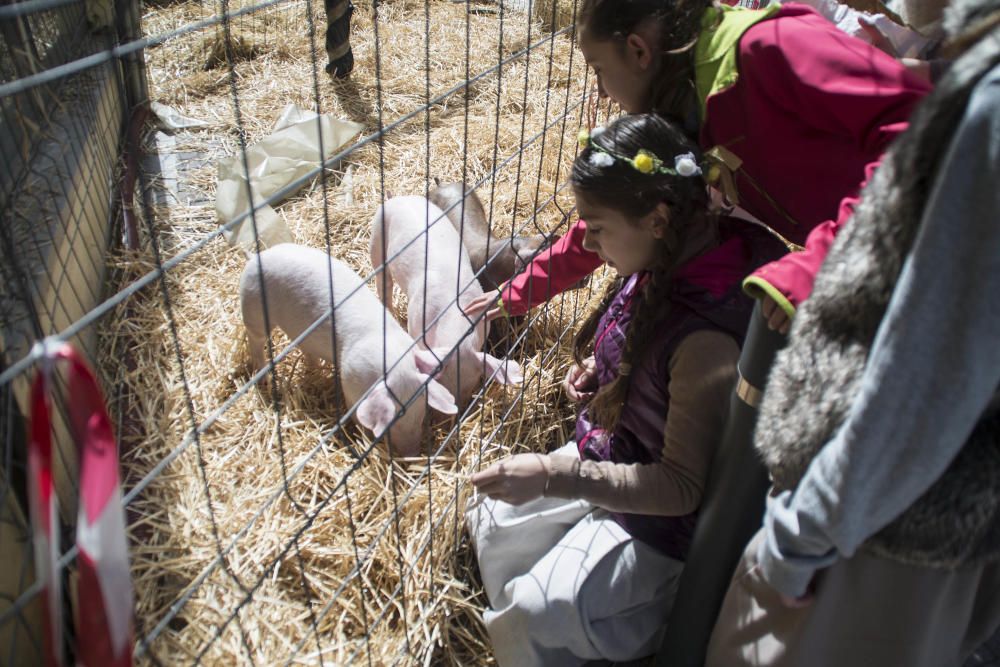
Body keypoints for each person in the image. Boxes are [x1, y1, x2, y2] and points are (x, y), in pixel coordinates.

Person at [703, 0, 1000, 664]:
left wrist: (797, 537)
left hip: (884, 528)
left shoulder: (990, 110)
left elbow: (926, 379)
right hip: (930, 516)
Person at [465, 114, 784, 666]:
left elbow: (682, 486)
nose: (584, 240)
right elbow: (646, 349)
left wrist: (552, 476)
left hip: (666, 526)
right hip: (619, 453)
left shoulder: (704, 340)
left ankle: (622, 634)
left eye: (595, 226)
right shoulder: (673, 247)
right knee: (490, 524)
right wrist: (605, 368)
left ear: (657, 218)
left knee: (531, 614)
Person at [465, 0, 930, 334]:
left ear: (638, 51)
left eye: (599, 69)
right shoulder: (686, 110)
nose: (602, 92)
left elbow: (922, 135)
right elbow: (612, 218)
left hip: (947, 225)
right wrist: (517, 294)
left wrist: (825, 262)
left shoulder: (771, 48)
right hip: (893, 252)